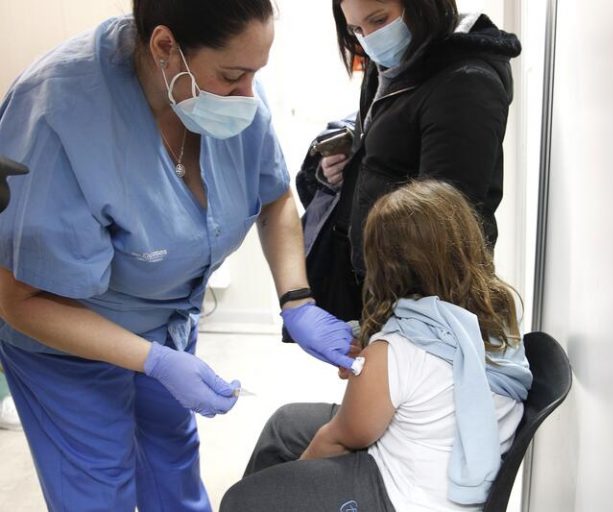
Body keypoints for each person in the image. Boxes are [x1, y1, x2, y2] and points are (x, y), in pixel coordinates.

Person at [0, 1, 355, 510]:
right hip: (65, 343)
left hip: (166, 324)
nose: (248, 95)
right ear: (166, 47)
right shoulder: (58, 113)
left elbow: (274, 198)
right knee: (100, 492)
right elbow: (21, 300)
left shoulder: (231, 95)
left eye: (256, 73)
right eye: (233, 75)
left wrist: (297, 299)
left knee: (174, 470)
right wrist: (155, 362)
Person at [221, 180, 533, 512]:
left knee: (242, 500)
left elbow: (339, 439)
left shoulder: (396, 351)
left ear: (386, 268)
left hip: (406, 498)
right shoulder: (496, 315)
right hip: (441, 459)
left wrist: (295, 481)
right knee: (285, 424)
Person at [298, 0, 521, 322]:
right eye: (356, 29)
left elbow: (442, 222)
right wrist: (348, 163)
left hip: (421, 291)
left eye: (378, 19)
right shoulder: (394, 65)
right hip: (382, 278)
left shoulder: (466, 82)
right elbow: (393, 147)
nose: (370, 38)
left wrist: (399, 321)